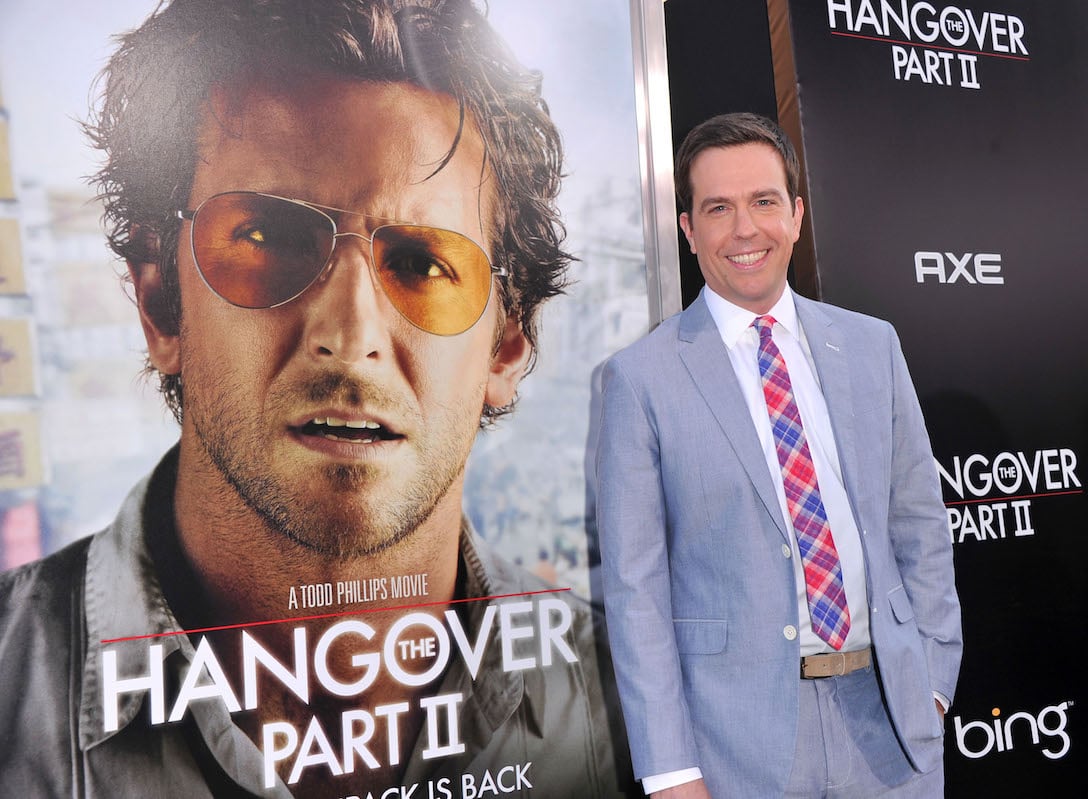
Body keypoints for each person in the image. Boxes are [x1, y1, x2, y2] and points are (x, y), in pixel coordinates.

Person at [0, 1, 636, 797]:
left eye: (423, 262)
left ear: (507, 346)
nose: (349, 332)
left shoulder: (625, 706)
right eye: (268, 238)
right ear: (162, 301)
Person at [595, 112, 962, 798]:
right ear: (689, 230)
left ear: (795, 214)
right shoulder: (639, 380)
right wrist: (672, 771)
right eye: (718, 209)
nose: (745, 229)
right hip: (736, 748)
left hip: (892, 727)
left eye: (764, 202)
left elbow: (918, 522)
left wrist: (934, 681)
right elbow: (635, 590)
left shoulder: (872, 346)